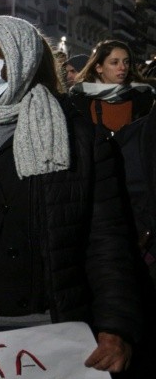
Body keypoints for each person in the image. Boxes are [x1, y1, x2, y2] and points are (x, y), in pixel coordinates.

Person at [0, 16, 143, 377]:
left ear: (22, 58)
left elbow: (108, 240)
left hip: (55, 331)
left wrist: (116, 326)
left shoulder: (81, 138)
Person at [69, 40, 156, 288]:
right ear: (98, 67)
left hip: (133, 181)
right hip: (96, 178)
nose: (122, 68)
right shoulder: (79, 99)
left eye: (126, 62)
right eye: (114, 62)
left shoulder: (142, 97)